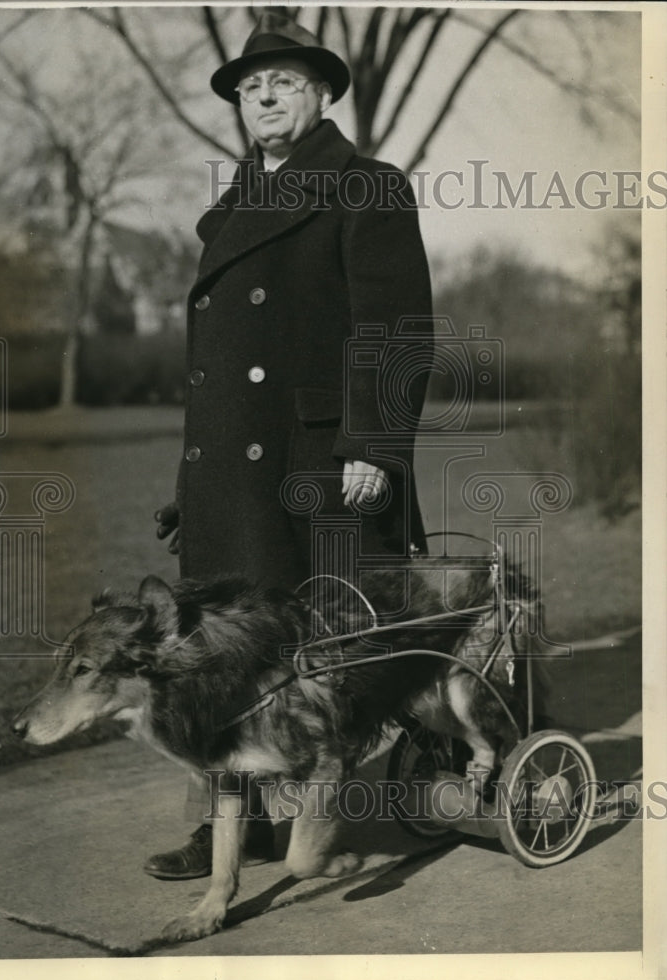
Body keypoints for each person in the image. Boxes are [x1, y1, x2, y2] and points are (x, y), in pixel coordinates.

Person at [148, 12, 434, 880]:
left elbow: (396, 331)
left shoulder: (365, 186)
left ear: (319, 93)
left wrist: (372, 447)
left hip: (316, 465)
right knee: (219, 653)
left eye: (280, 83)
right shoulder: (229, 209)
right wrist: (184, 488)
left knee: (320, 653)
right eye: (249, 89)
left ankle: (340, 800)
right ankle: (235, 824)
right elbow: (218, 382)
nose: (262, 97)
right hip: (234, 474)